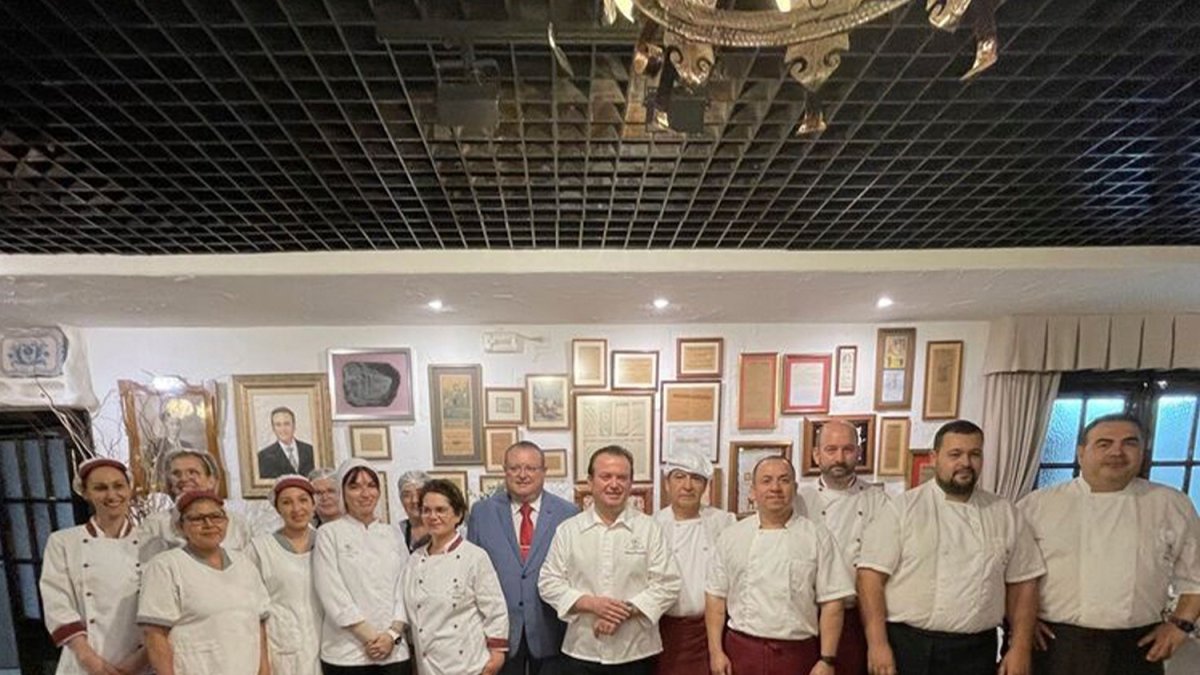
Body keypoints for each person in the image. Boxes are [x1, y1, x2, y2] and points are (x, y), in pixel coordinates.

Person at [856, 419, 1045, 675]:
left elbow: (1023, 583)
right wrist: (877, 644)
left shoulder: (1005, 514)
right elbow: (870, 579)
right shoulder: (902, 510)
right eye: (955, 454)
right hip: (909, 646)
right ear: (934, 458)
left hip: (977, 649)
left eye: (974, 454)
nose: (965, 463)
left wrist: (1020, 647)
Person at [1017, 413, 1200, 675]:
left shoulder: (1171, 503)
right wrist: (1022, 624)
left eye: (1130, 443)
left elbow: (1196, 576)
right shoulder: (1037, 505)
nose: (1117, 451)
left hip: (1136, 645)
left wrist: (1180, 625)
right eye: (1104, 443)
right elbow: (1013, 574)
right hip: (1056, 643)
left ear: (1142, 451)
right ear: (1081, 452)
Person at [538, 445, 682, 675]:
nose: (614, 484)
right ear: (590, 481)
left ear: (631, 483)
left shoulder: (649, 529)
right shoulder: (569, 530)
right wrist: (591, 604)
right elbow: (548, 582)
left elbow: (668, 583)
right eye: (606, 476)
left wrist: (623, 612)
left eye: (622, 477)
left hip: (637, 652)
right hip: (581, 650)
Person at [705, 455, 853, 675]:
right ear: (753, 491)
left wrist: (827, 659)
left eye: (784, 480)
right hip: (742, 652)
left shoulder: (817, 536)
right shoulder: (731, 536)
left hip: (797, 653)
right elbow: (715, 599)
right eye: (766, 481)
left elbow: (832, 602)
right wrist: (716, 652)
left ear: (794, 488)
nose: (775, 488)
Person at [467, 441, 579, 675]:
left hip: (552, 630)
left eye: (530, 468)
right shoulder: (482, 512)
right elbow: (472, 574)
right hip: (500, 633)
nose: (522, 475)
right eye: (514, 468)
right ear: (505, 471)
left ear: (544, 472)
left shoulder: (568, 514)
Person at [137, 489, 271, 675]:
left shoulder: (244, 564)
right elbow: (155, 635)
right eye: (197, 519)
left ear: (226, 522)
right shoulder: (165, 566)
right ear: (180, 526)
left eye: (216, 516)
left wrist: (265, 672)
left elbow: (259, 627)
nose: (208, 524)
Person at [794, 420, 890, 675]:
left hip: (856, 618)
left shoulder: (879, 502)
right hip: (805, 616)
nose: (839, 457)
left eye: (848, 449)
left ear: (858, 453)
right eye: (831, 449)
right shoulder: (798, 501)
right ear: (816, 455)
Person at [40, 457, 149, 675]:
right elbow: (57, 602)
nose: (112, 495)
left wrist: (141, 658)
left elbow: (166, 607)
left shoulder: (152, 542)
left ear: (130, 489)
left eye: (119, 486)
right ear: (86, 493)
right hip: (83, 663)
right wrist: (89, 659)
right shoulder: (63, 542)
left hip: (141, 663)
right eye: (100, 488)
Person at [399, 479, 509, 675]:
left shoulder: (474, 557)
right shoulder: (415, 559)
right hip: (427, 665)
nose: (433, 516)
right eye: (427, 510)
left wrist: (497, 655)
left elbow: (495, 609)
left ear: (458, 515)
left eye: (441, 510)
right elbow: (406, 606)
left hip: (467, 665)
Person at [313, 458, 412, 675]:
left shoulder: (392, 534)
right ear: (342, 492)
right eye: (355, 486)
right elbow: (331, 592)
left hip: (394, 652)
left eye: (371, 485)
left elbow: (406, 588)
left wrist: (391, 635)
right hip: (346, 654)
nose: (365, 493)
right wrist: (371, 636)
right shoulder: (329, 534)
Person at [653, 450, 735, 675]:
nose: (687, 486)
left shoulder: (725, 523)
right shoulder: (652, 526)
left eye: (696, 478)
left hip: (714, 630)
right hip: (666, 631)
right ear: (667, 484)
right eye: (679, 477)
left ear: (706, 485)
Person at [248, 475, 323, 675]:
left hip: (327, 649)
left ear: (314, 503)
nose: (296, 509)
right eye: (287, 502)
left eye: (303, 500)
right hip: (281, 651)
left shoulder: (328, 543)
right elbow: (252, 611)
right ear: (277, 508)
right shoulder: (260, 548)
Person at [140, 447, 252, 560]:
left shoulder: (238, 523)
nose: (183, 479)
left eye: (192, 472)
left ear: (211, 481)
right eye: (176, 474)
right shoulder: (155, 524)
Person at [257, 407, 315, 479]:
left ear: (294, 426)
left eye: (287, 424)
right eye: (278, 425)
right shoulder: (263, 456)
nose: (283, 429)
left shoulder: (310, 450)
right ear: (273, 428)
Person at [397, 471, 432, 552]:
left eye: (419, 493)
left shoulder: (444, 528)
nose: (414, 500)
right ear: (401, 500)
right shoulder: (397, 533)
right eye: (407, 495)